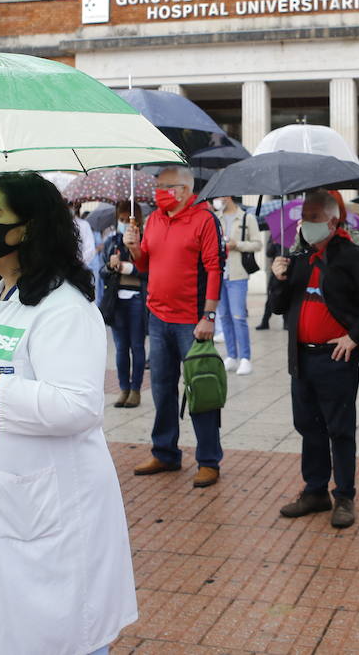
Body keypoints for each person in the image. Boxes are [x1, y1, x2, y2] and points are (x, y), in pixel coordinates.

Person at [0, 173, 137, 655]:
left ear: (28, 229)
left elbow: (77, 405)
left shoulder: (64, 308)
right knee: (4, 628)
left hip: (44, 508)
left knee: (62, 636)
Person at [268, 190, 359, 529]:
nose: (305, 223)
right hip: (302, 358)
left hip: (334, 358)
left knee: (339, 429)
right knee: (308, 426)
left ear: (332, 221)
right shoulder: (297, 258)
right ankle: (315, 490)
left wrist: (355, 337)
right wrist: (277, 279)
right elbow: (279, 306)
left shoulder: (351, 256)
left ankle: (345, 495)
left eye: (313, 217)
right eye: (303, 217)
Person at [125, 166, 225, 488]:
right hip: (158, 317)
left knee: (201, 389)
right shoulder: (154, 219)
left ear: (182, 190)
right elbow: (145, 265)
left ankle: (208, 460)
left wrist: (208, 317)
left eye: (162, 187)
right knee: (162, 389)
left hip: (191, 321)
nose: (156, 193)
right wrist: (134, 248)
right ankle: (165, 451)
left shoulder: (205, 219)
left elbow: (214, 269)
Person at [104, 199, 148, 408]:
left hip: (137, 298)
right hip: (116, 300)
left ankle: (136, 389)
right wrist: (110, 266)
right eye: (120, 219)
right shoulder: (111, 241)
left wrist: (129, 268)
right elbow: (102, 272)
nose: (123, 223)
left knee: (137, 346)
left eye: (127, 219)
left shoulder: (144, 240)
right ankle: (123, 388)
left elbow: (148, 271)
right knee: (121, 348)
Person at [213, 195, 261, 375]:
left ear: (228, 197)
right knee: (224, 316)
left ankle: (245, 358)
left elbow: (257, 244)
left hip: (238, 274)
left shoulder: (247, 217)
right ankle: (231, 356)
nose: (217, 200)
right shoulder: (215, 218)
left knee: (238, 317)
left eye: (219, 197)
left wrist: (237, 245)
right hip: (219, 273)